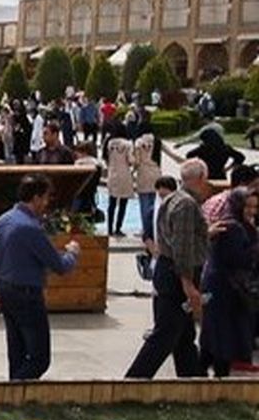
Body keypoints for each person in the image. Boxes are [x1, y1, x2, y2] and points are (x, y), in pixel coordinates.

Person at [125, 159, 212, 379]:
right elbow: (182, 247)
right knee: (164, 336)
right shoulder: (187, 205)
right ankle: (133, 381)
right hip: (176, 277)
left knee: (184, 336)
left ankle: (193, 380)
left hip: (168, 271)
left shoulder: (172, 199)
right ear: (201, 178)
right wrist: (188, 284)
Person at [0, 174, 81, 380]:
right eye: (46, 197)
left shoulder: (4, 220)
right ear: (36, 198)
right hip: (27, 296)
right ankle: (15, 389)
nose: (47, 203)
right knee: (39, 358)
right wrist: (73, 253)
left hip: (6, 291)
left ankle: (14, 391)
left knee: (16, 353)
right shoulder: (30, 228)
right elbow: (59, 266)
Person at [199, 187, 259, 377]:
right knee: (223, 338)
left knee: (218, 338)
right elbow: (238, 259)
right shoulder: (233, 227)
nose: (252, 211)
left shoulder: (239, 226)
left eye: (255, 207)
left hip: (225, 287)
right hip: (224, 289)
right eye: (247, 207)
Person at [103, 122, 134, 238]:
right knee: (123, 204)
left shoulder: (109, 143)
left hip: (112, 174)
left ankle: (109, 229)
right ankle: (118, 228)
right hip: (124, 175)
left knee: (111, 203)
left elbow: (106, 158)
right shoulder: (128, 144)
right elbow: (130, 160)